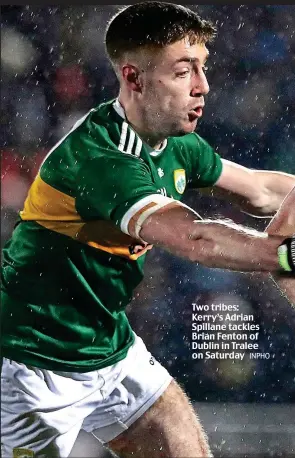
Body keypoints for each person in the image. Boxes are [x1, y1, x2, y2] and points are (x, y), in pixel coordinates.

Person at [1, 3, 295, 457]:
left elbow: (259, 191)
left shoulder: (176, 143)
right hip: (30, 361)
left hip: (110, 347)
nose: (204, 87)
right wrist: (285, 256)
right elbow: (195, 240)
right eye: (184, 72)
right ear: (133, 78)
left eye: (203, 68)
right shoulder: (100, 160)